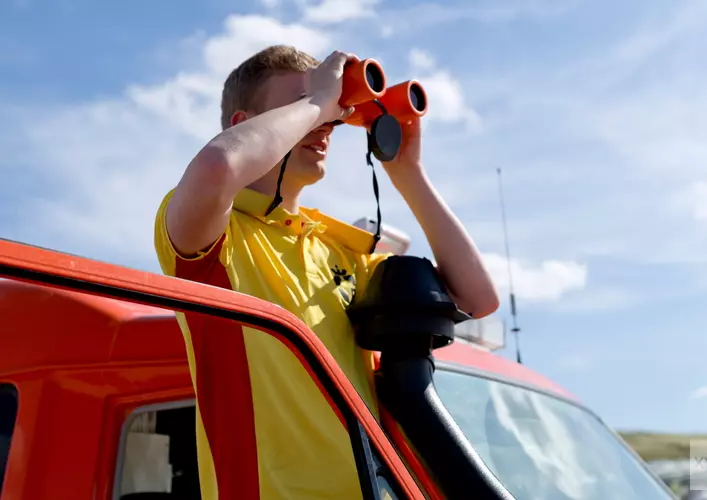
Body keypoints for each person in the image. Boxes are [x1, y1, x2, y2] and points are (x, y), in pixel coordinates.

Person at [154, 44, 499, 500]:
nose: (326, 125)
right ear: (244, 124)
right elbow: (220, 166)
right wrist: (319, 101)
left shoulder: (338, 249)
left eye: (333, 111)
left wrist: (407, 172)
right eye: (301, 105)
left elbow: (477, 298)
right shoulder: (219, 236)